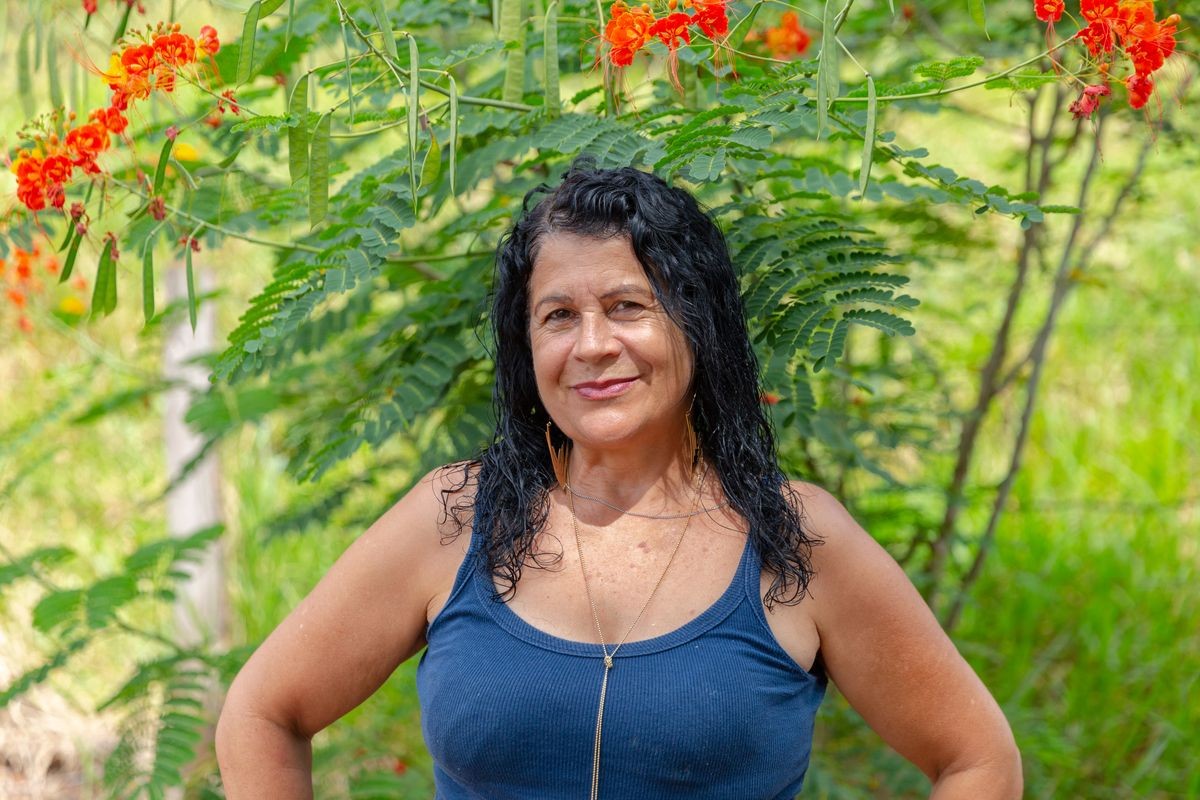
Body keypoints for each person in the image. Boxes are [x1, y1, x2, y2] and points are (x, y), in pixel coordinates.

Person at [215, 162, 1022, 799]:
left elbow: (978, 759)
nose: (593, 345)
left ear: (695, 323)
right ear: (526, 348)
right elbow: (261, 713)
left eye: (629, 306)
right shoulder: (455, 518)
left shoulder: (797, 541)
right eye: (558, 316)